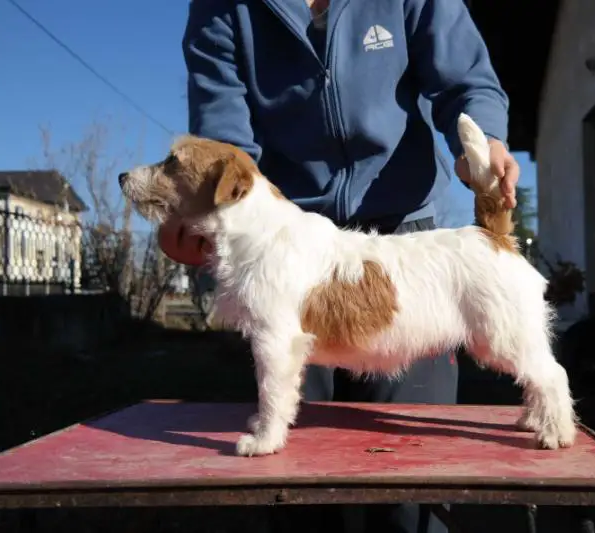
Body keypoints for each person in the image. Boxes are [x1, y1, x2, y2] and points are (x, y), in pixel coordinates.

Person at [167, 0, 520, 531]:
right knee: (295, 493)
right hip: (288, 255)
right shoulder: (222, 7)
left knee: (411, 493)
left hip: (406, 250)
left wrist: (484, 138)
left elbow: (464, 78)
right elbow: (225, 141)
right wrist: (202, 212)